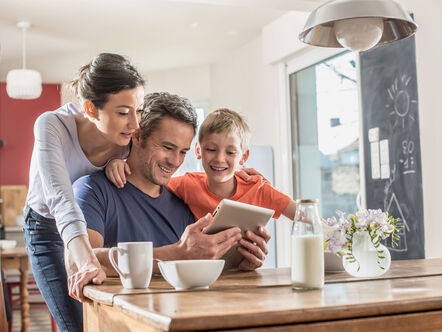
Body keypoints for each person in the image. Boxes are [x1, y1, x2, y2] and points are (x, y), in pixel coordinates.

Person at [74, 92, 270, 275]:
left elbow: (195, 271)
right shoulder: (93, 191)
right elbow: (84, 261)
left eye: (183, 152)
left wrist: (237, 267)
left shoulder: (184, 203)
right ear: (138, 135)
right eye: (168, 147)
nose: (175, 161)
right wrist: (177, 254)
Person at [23, 53, 145, 332]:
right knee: (76, 324)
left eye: (139, 110)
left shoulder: (128, 139)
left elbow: (162, 166)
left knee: (107, 320)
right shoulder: (51, 125)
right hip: (46, 229)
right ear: (90, 109)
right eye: (123, 112)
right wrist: (88, 260)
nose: (136, 124)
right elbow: (61, 200)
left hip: (95, 226)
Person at [165, 108, 297, 222]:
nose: (219, 159)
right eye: (211, 149)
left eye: (230, 152)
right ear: (198, 150)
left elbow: (304, 216)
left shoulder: (257, 188)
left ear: (243, 157)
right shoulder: (188, 184)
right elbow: (149, 185)